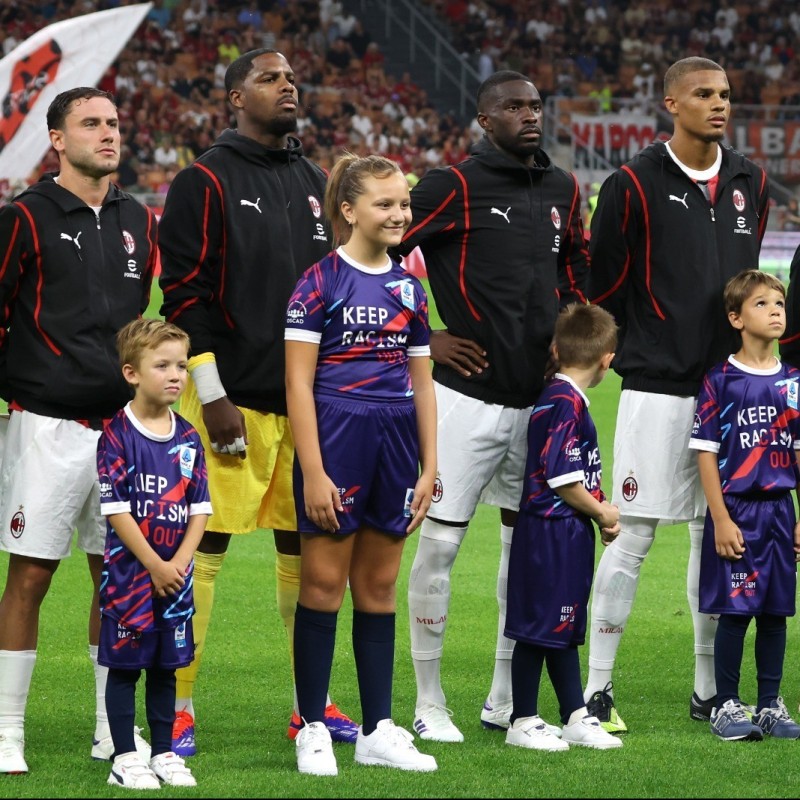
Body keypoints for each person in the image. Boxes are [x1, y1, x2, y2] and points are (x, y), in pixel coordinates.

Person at [158, 47, 358, 757]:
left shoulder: (313, 180)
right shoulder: (203, 179)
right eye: (270, 79)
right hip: (229, 401)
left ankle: (312, 704)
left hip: (305, 406)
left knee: (307, 554)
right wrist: (210, 396)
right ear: (236, 97)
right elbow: (184, 293)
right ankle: (177, 706)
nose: (288, 87)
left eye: (292, 79)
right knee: (198, 550)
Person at [396, 69, 589, 743]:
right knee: (441, 546)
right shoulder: (450, 186)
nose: (528, 115)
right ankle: (428, 700)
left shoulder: (564, 187)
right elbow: (378, 257)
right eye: (512, 107)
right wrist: (426, 335)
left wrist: (568, 332)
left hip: (538, 405)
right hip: (465, 401)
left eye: (535, 105)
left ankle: (507, 698)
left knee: (527, 550)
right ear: (485, 120)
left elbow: (574, 273)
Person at [585, 56, 771, 733]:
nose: (718, 104)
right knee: (631, 537)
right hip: (658, 391)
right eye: (703, 94)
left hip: (730, 393)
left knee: (712, 538)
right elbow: (602, 284)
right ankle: (596, 688)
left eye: (725, 94)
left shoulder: (752, 180)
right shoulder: (632, 183)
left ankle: (707, 690)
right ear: (671, 102)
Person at [0, 87, 158, 774]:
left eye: (114, 123)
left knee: (116, 579)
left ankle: (111, 729)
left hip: (120, 432)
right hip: (46, 428)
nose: (108, 133)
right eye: (91, 124)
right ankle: (6, 732)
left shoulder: (137, 219)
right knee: (30, 577)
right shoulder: (24, 218)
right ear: (57, 139)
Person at [286, 153, 438, 776]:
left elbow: (422, 383)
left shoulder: (410, 287)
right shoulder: (318, 282)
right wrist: (314, 470)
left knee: (377, 588)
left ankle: (378, 729)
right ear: (348, 211)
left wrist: (430, 467)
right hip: (338, 437)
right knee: (323, 586)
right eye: (385, 203)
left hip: (397, 443)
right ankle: (313, 727)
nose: (399, 212)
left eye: (403, 203)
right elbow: (297, 384)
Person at [98, 319, 212, 788]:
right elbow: (116, 510)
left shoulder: (188, 438)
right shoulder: (116, 435)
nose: (175, 375)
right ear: (131, 373)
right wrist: (155, 564)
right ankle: (125, 757)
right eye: (162, 365)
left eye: (181, 366)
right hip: (131, 578)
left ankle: (164, 752)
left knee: (167, 667)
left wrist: (180, 564)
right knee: (126, 668)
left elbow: (200, 508)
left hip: (174, 580)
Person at [505, 303, 622, 753]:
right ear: (607, 358)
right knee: (538, 627)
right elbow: (562, 477)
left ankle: (575, 714)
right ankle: (522, 719)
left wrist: (597, 510)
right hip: (548, 532)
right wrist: (602, 512)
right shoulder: (561, 401)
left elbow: (579, 473)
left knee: (564, 624)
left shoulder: (568, 399)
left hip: (569, 531)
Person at [689, 269, 800, 742]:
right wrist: (720, 517)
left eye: (779, 303)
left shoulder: (793, 380)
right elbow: (706, 453)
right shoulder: (721, 380)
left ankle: (770, 703)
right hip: (738, 511)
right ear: (735, 317)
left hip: (780, 511)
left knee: (776, 612)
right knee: (735, 612)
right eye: (761, 304)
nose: (775, 310)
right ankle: (726, 703)